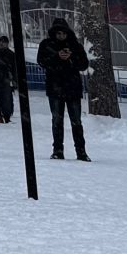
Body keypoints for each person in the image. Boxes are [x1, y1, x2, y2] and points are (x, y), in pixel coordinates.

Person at [35, 20, 92, 162]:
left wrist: (71, 58)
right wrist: (57, 57)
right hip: (55, 87)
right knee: (57, 120)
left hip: (72, 88)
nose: (61, 36)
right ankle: (58, 150)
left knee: (76, 121)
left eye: (63, 33)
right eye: (58, 33)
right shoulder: (47, 45)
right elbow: (41, 61)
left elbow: (84, 64)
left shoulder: (75, 46)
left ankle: (81, 151)